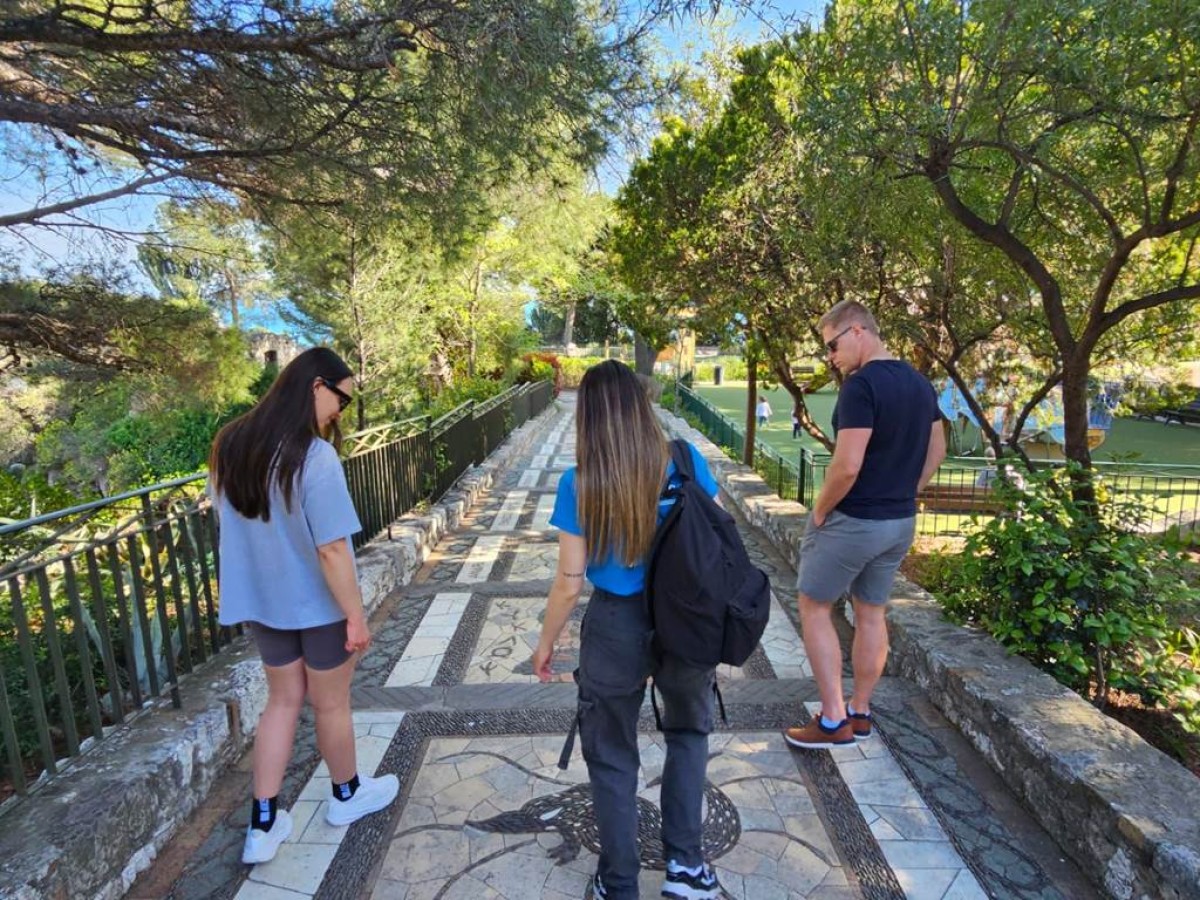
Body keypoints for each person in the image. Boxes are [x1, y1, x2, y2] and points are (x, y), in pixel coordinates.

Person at [532, 360, 724, 900]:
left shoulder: (581, 481)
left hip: (615, 624)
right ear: (642, 407)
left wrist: (546, 645)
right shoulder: (683, 461)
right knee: (688, 735)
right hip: (684, 620)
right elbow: (714, 538)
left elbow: (570, 582)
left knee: (612, 753)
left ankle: (619, 884)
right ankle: (686, 867)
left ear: (588, 417)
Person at [209, 347, 399, 865]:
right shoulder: (313, 457)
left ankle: (263, 824)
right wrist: (356, 615)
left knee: (281, 703)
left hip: (264, 604)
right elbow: (333, 548)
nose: (342, 410)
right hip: (317, 606)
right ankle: (346, 795)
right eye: (341, 398)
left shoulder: (230, 444)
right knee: (331, 704)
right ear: (316, 386)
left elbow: (232, 526)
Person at [785, 301, 945, 749]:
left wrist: (819, 510)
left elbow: (847, 465)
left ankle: (833, 719)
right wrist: (907, 490)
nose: (830, 357)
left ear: (858, 331)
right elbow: (939, 449)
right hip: (899, 521)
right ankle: (860, 710)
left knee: (814, 607)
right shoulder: (919, 382)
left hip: (855, 520)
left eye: (832, 346)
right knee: (871, 613)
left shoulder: (861, 386)